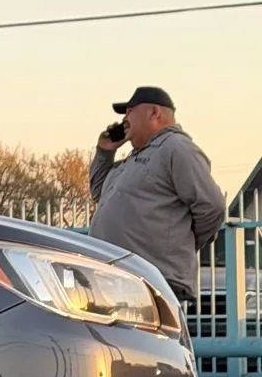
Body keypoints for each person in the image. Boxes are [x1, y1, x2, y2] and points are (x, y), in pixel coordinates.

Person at [89, 86, 225, 302]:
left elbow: (212, 207)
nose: (125, 119)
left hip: (152, 281)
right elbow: (99, 193)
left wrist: (181, 242)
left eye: (130, 111)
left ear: (154, 113)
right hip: (118, 278)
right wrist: (105, 152)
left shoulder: (176, 147)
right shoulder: (133, 159)